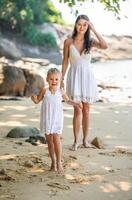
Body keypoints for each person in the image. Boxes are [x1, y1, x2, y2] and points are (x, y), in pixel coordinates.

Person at [60, 14, 108, 151]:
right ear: (75, 25)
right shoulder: (68, 42)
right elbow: (65, 61)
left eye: (85, 25)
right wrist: (61, 78)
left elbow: (105, 46)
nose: (82, 27)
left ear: (88, 26)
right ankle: (76, 142)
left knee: (86, 110)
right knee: (77, 109)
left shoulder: (90, 42)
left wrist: (93, 28)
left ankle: (85, 141)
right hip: (74, 77)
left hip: (87, 78)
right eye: (79, 24)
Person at [31, 68, 81, 173]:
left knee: (56, 139)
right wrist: (34, 99)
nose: (54, 81)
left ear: (60, 80)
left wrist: (76, 104)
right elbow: (37, 101)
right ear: (47, 80)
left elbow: (68, 100)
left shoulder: (61, 91)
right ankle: (53, 162)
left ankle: (59, 162)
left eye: (56, 79)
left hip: (57, 118)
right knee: (49, 141)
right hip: (47, 118)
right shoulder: (45, 91)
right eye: (51, 79)